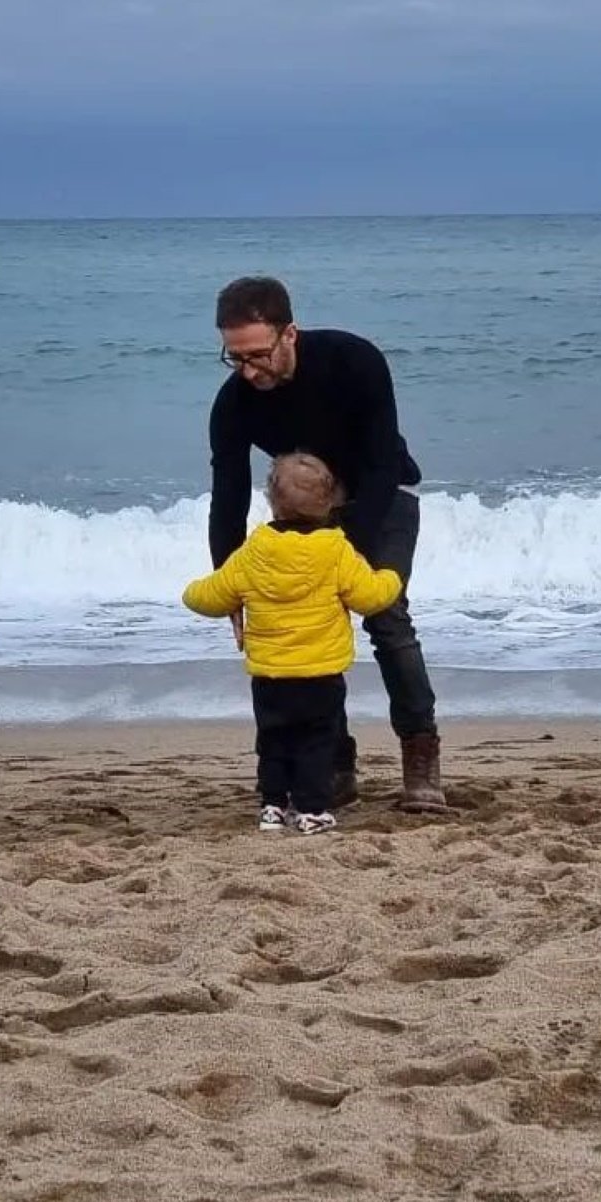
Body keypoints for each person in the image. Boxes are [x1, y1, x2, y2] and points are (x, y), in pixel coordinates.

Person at [207, 275, 448, 813]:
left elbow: (383, 463)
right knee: (307, 623)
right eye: (234, 357)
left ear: (289, 333)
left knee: (386, 617)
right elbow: (227, 495)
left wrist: (346, 557)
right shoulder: (234, 404)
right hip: (305, 512)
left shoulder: (354, 361)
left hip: (381, 496)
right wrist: (232, 587)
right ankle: (333, 766)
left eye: (259, 355)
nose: (248, 370)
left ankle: (421, 756)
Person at [183, 452, 402, 834]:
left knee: (273, 740)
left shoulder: (255, 551)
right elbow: (369, 597)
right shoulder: (335, 550)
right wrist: (391, 576)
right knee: (317, 743)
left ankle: (272, 805)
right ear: (331, 502)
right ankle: (313, 808)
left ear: (271, 501)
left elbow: (208, 597)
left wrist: (193, 592)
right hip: (320, 673)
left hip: (270, 675)